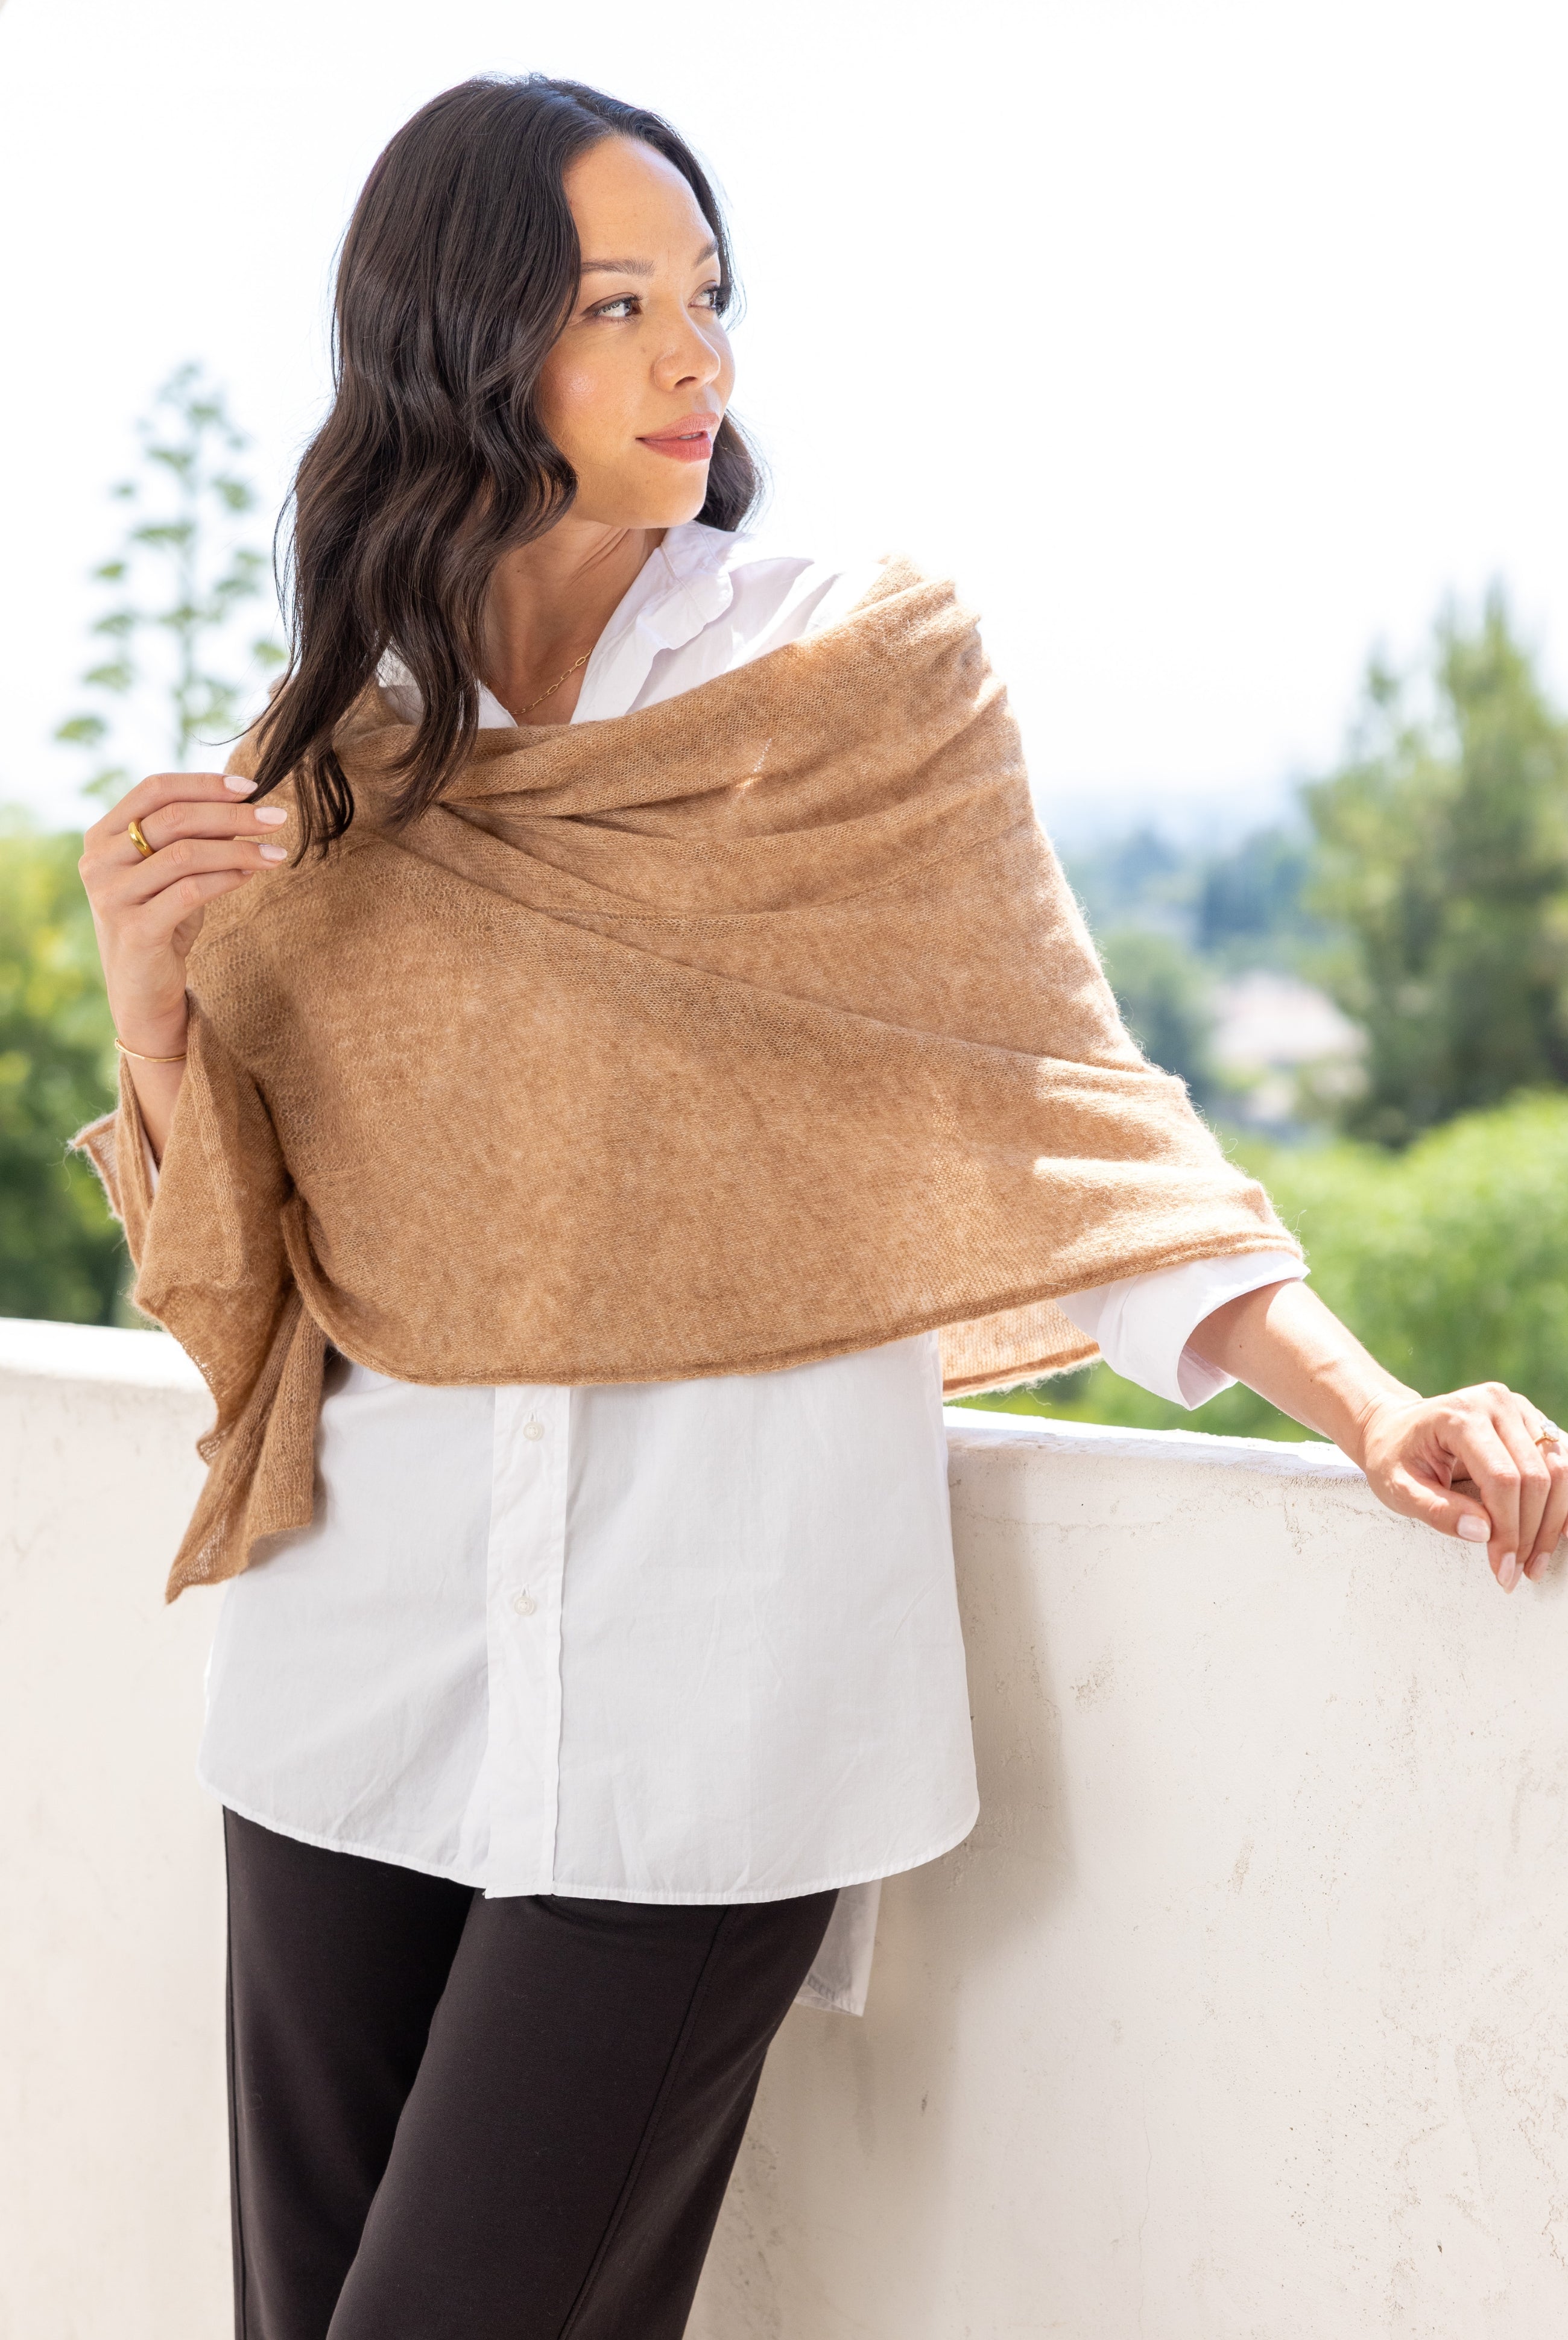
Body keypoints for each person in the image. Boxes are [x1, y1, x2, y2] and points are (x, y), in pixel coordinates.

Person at [75, 74, 1567, 2340]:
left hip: (712, 1720)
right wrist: (160, 1027)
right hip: (345, 1688)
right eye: (617, 306)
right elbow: (254, 1297)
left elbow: (1051, 1102)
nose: (698, 357)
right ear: (458, 339)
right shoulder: (335, 756)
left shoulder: (848, 682)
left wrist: (1366, 1405)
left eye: (709, 295)